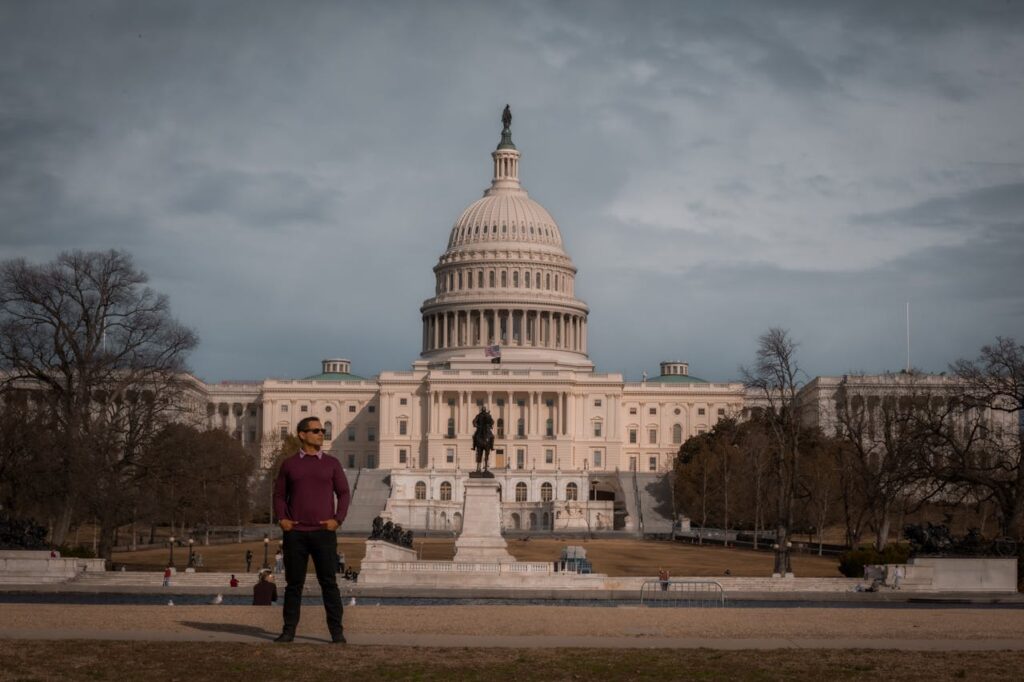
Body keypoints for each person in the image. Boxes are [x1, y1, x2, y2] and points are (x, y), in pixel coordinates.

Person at [272, 416, 352, 644]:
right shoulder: (289, 464)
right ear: (302, 434)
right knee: (293, 585)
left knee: (329, 583)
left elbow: (344, 493)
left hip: (324, 532)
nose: (321, 434)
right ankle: (288, 631)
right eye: (316, 430)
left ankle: (337, 633)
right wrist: (282, 519)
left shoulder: (332, 463)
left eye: (323, 431)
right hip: (295, 533)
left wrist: (338, 519)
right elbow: (279, 495)